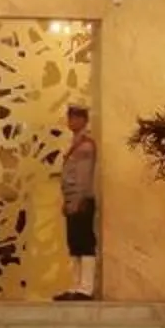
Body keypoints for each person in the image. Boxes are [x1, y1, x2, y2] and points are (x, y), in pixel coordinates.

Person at [54, 101, 99, 299]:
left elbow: (83, 177)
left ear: (83, 120)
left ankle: (86, 288)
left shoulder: (85, 146)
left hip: (82, 201)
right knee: (74, 245)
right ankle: (76, 286)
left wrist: (77, 201)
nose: (70, 121)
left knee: (85, 243)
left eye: (74, 117)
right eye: (70, 117)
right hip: (73, 201)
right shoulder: (75, 144)